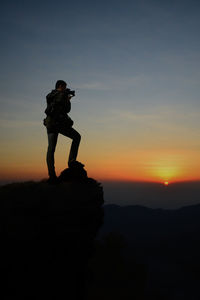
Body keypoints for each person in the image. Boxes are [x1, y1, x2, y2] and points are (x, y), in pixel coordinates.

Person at [43, 80, 81, 183]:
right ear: (61, 86)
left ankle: (52, 176)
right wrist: (68, 99)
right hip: (60, 124)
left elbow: (52, 107)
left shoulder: (50, 95)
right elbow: (67, 110)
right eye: (65, 87)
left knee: (51, 149)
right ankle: (71, 161)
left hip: (50, 123)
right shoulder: (62, 95)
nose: (65, 89)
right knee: (77, 137)